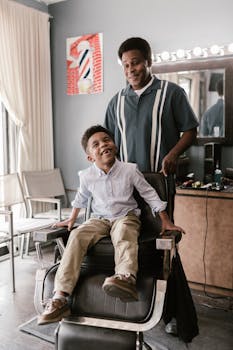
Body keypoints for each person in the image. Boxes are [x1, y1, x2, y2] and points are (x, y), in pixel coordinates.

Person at [37, 125, 184, 325]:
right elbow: (80, 199)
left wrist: (165, 220)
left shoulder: (129, 169)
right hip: (100, 219)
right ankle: (60, 298)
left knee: (124, 232)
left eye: (106, 140)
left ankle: (125, 278)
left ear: (114, 145)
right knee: (78, 235)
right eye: (96, 144)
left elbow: (149, 194)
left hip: (126, 216)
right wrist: (72, 220)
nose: (103, 144)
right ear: (90, 157)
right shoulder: (86, 176)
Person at [104, 37, 199, 334]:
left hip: (158, 185)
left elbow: (190, 130)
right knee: (130, 242)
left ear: (148, 61)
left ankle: (173, 314)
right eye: (126, 65)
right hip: (125, 189)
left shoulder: (171, 93)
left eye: (136, 62)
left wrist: (172, 154)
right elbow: (108, 144)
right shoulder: (116, 101)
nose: (131, 69)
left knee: (162, 246)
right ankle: (135, 307)